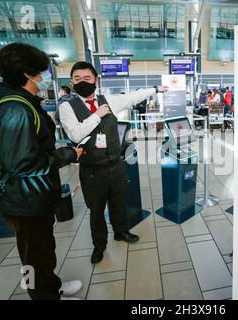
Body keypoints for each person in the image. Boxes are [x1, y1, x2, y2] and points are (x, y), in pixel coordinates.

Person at [0, 43, 84, 300]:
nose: (43, 77)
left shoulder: (21, 103)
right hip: (25, 201)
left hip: (35, 197)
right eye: (40, 72)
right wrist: (68, 154)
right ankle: (43, 295)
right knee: (33, 255)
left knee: (42, 250)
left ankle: (49, 287)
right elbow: (23, 163)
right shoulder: (15, 110)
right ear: (27, 73)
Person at [58, 61, 168, 264]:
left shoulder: (107, 99)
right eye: (77, 79)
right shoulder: (67, 106)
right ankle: (99, 246)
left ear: (96, 80)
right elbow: (75, 134)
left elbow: (132, 97)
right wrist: (97, 115)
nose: (82, 82)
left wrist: (155, 89)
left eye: (87, 78)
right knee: (97, 210)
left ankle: (121, 232)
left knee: (119, 203)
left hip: (115, 165)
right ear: (72, 82)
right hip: (92, 169)